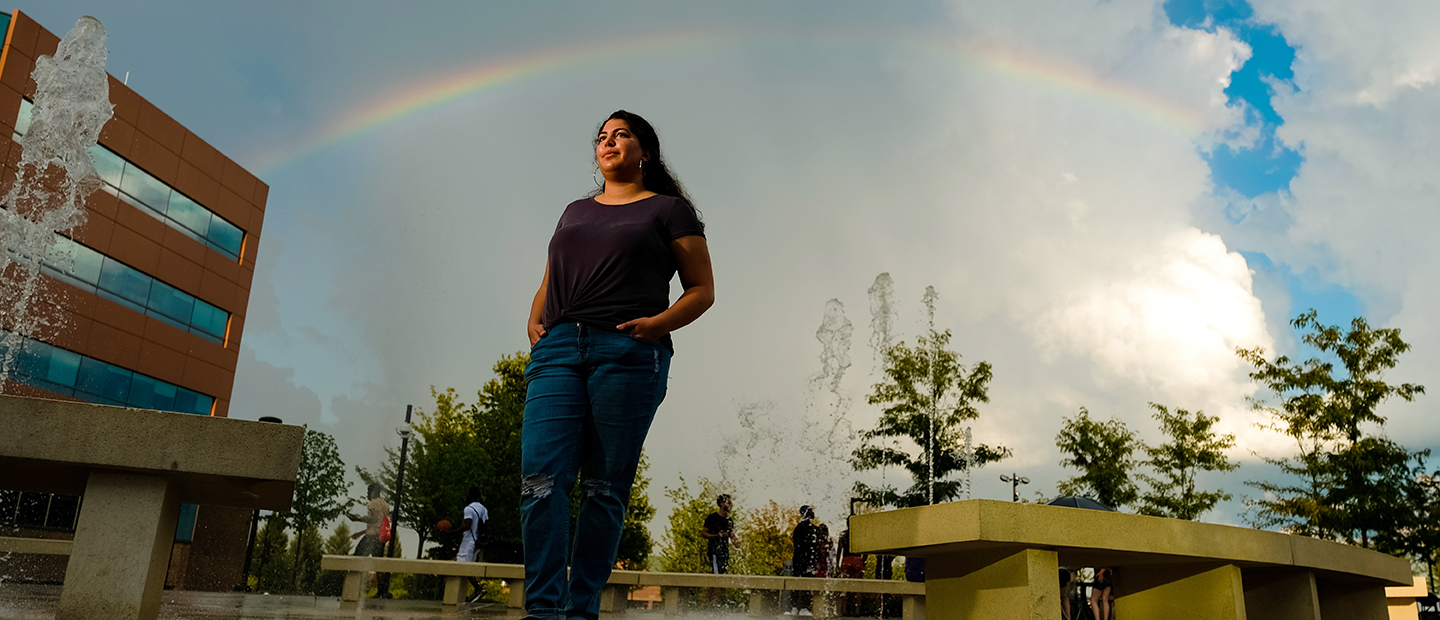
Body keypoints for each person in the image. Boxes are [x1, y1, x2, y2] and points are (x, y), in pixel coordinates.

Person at [521, 110, 715, 620]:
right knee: (540, 480)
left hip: (628, 354)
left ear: (644, 151)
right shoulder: (573, 211)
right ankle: (543, 612)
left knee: (604, 490)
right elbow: (551, 276)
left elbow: (702, 290)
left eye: (621, 135)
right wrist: (535, 318)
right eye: (602, 137)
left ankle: (580, 611)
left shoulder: (669, 210)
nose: (608, 143)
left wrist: (657, 325)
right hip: (558, 351)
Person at [456, 487, 490, 603]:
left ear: (470, 496)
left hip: (469, 541)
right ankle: (464, 594)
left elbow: (467, 525)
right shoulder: (484, 510)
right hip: (478, 542)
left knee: (461, 566)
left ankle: (478, 588)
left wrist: (450, 532)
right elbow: (485, 527)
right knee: (467, 567)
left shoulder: (468, 509)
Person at [790, 506, 823, 616]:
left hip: (798, 558)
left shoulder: (798, 528)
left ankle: (794, 606)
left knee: (796, 580)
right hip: (807, 559)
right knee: (807, 581)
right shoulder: (811, 528)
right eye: (811, 511)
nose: (813, 513)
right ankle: (804, 606)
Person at [348, 483, 389, 557]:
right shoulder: (385, 504)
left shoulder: (374, 503)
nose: (367, 494)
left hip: (371, 537)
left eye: (368, 492)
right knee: (377, 562)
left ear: (373, 492)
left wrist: (358, 519)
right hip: (380, 538)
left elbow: (373, 519)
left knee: (358, 557)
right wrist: (361, 533)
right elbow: (377, 524)